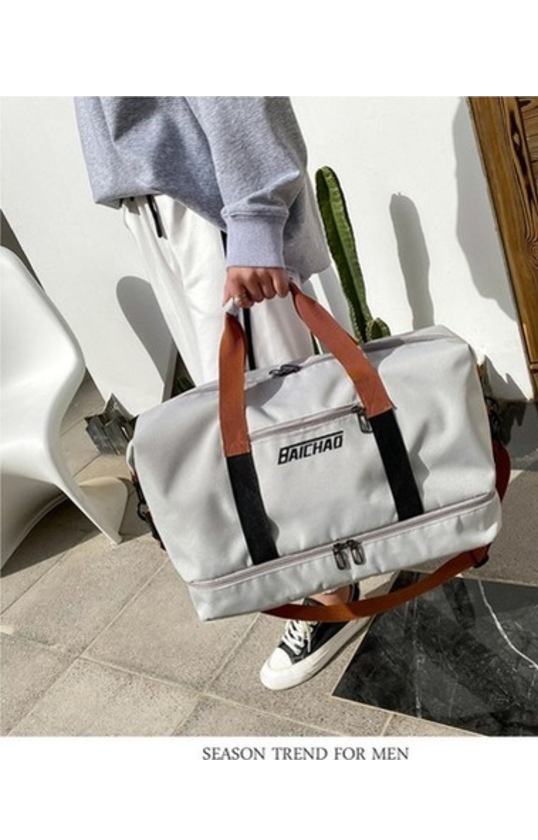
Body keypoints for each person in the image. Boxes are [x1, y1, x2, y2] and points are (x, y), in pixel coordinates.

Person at [74, 96, 371, 691]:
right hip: (161, 201)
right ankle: (322, 567)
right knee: (245, 414)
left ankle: (332, 594)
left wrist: (255, 220)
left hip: (205, 202)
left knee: (277, 420)